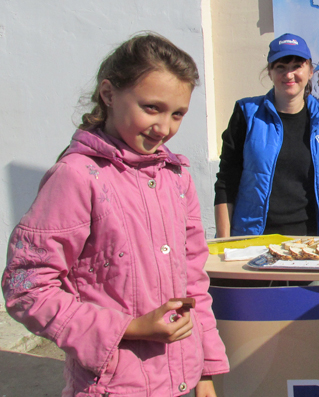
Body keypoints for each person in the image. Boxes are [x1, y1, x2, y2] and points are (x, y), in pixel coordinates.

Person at [2, 33, 229, 396]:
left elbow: (193, 285)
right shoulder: (77, 177)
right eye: (151, 108)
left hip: (180, 383)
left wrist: (206, 372)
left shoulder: (176, 178)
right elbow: (26, 286)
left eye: (177, 114)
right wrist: (130, 328)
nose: (164, 128)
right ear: (108, 94)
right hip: (111, 386)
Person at [214, 33, 319, 238]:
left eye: (297, 66)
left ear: (310, 71)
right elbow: (226, 183)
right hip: (255, 242)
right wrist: (223, 243)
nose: (289, 75)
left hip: (312, 242)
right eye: (280, 67)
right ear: (270, 72)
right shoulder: (246, 114)